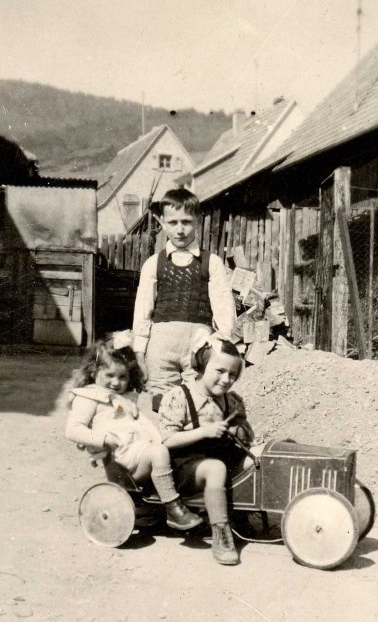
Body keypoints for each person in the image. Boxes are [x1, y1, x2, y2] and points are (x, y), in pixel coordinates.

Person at [65, 332, 203, 531]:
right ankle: (173, 507)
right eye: (109, 376)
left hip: (135, 452)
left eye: (122, 377)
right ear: (94, 371)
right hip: (121, 457)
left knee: (174, 448)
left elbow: (137, 422)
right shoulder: (89, 397)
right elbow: (73, 429)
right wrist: (103, 439)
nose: (116, 382)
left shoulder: (122, 398)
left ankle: (185, 498)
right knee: (159, 452)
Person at [158, 332, 260, 566]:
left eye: (233, 374)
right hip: (186, 466)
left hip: (221, 456)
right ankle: (221, 532)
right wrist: (203, 431)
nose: (226, 379)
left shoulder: (231, 399)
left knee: (262, 456)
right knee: (216, 469)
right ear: (202, 366)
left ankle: (244, 514)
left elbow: (247, 434)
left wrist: (238, 431)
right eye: (220, 371)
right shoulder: (179, 396)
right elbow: (166, 440)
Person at [133, 188, 236, 414]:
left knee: (198, 399)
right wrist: (139, 353)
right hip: (160, 345)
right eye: (173, 222)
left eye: (186, 222)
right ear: (162, 222)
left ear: (198, 221)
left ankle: (193, 444)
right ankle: (164, 443)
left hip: (198, 344)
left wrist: (218, 344)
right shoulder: (153, 263)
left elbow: (223, 307)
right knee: (159, 399)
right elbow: (142, 310)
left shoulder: (212, 263)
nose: (180, 230)